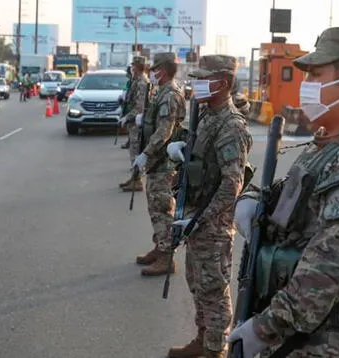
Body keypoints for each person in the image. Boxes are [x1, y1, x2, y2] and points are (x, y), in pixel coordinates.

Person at [227, 26, 339, 358]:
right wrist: (253, 201)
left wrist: (263, 328)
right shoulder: (330, 145)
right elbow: (289, 199)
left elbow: (329, 269)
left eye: (315, 75)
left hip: (333, 343)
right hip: (304, 336)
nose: (305, 86)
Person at [165, 55, 253, 358]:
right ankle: (203, 339)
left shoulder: (230, 125)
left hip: (212, 222)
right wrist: (182, 155)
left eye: (204, 79)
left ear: (224, 83)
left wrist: (200, 219)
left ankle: (216, 349)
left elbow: (232, 184)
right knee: (196, 282)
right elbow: (202, 161)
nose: (197, 84)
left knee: (213, 291)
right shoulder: (205, 115)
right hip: (196, 215)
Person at [133, 52, 186, 276]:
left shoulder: (169, 95)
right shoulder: (162, 92)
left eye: (154, 69)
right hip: (158, 160)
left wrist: (145, 153)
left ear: (162, 71)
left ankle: (166, 257)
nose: (152, 72)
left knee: (162, 209)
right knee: (155, 208)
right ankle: (160, 246)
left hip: (163, 162)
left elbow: (165, 130)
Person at [119, 56, 151, 192]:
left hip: (137, 122)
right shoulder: (135, 80)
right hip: (133, 122)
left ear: (139, 67)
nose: (132, 68)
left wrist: (127, 117)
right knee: (133, 150)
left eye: (134, 66)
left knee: (135, 151)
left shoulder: (142, 82)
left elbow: (140, 106)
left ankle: (137, 181)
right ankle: (134, 178)